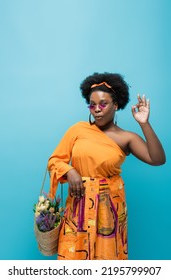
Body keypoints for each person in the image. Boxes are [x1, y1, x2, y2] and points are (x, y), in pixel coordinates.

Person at [48, 72, 166, 260]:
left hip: (109, 209)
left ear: (116, 105)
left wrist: (144, 124)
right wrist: (70, 171)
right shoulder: (78, 130)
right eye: (92, 104)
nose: (97, 109)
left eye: (103, 104)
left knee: (107, 260)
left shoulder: (126, 138)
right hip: (78, 207)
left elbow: (157, 159)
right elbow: (55, 160)